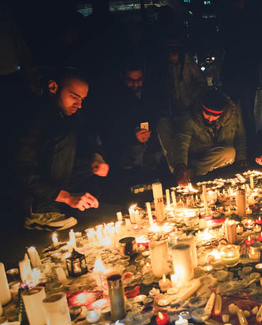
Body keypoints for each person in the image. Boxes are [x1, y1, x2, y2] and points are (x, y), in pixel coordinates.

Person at [13, 67, 108, 231]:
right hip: (22, 190)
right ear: (53, 87)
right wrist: (68, 197)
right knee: (66, 136)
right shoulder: (35, 118)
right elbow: (22, 172)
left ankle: (56, 205)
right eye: (74, 97)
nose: (78, 105)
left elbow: (86, 140)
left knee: (89, 166)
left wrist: (96, 158)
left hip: (45, 182)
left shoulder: (64, 116)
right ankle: (39, 212)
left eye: (82, 100)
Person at [90, 59, 163, 190]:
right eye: (131, 80)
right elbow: (108, 134)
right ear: (122, 77)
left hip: (151, 158)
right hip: (126, 163)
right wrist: (132, 137)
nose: (135, 84)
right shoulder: (113, 101)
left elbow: (157, 119)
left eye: (139, 80)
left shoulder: (151, 94)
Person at [167, 89, 247, 186]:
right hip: (199, 152)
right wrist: (181, 165)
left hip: (218, 153)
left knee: (230, 152)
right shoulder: (190, 118)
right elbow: (182, 141)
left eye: (215, 116)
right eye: (207, 114)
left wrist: (241, 159)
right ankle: (186, 171)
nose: (210, 118)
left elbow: (240, 135)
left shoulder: (232, 115)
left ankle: (192, 172)